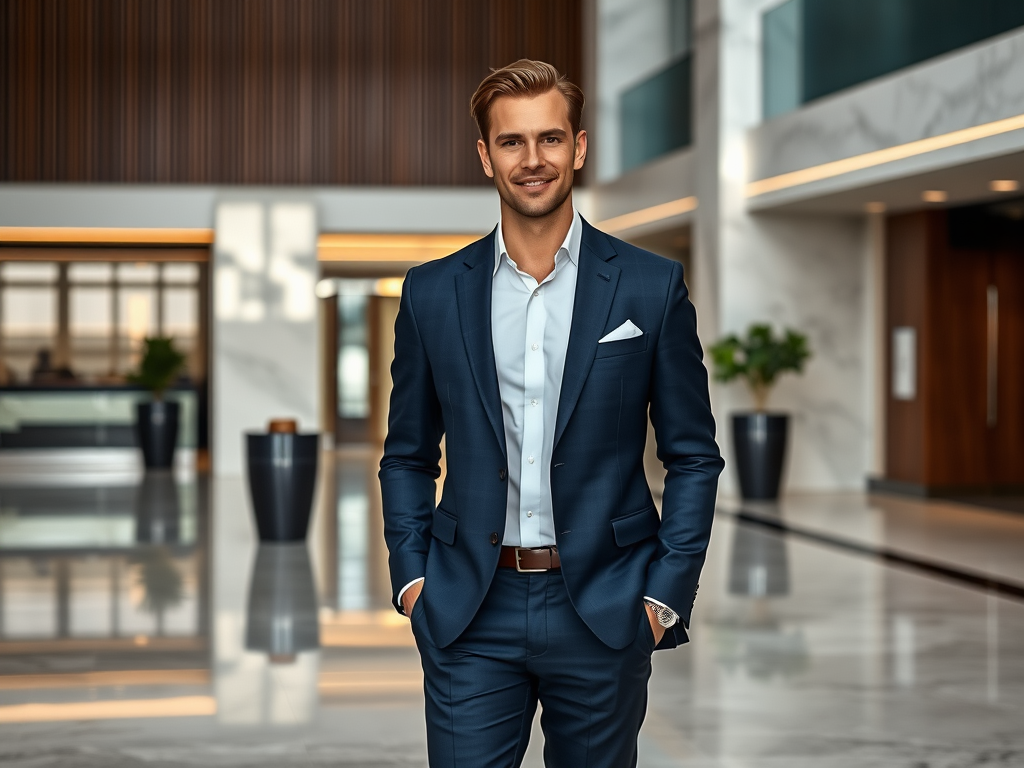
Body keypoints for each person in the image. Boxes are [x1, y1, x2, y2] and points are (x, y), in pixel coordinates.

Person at [380, 59, 723, 768]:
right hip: (468, 606)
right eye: (511, 142)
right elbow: (407, 454)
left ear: (580, 146)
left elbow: (693, 454)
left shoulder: (650, 287)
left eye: (550, 139)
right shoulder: (433, 293)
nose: (533, 160)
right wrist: (414, 577)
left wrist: (663, 595)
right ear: (485, 155)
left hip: (605, 604)